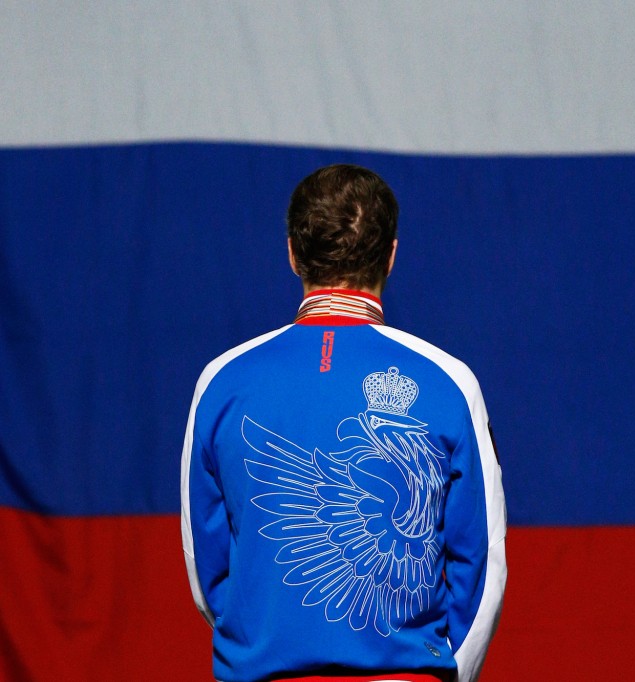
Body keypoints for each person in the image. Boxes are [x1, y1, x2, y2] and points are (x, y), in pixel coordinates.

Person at [181, 164, 507, 682]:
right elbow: (482, 569)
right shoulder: (450, 382)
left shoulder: (221, 382)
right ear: (393, 255)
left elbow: (211, 577)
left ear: (291, 254)